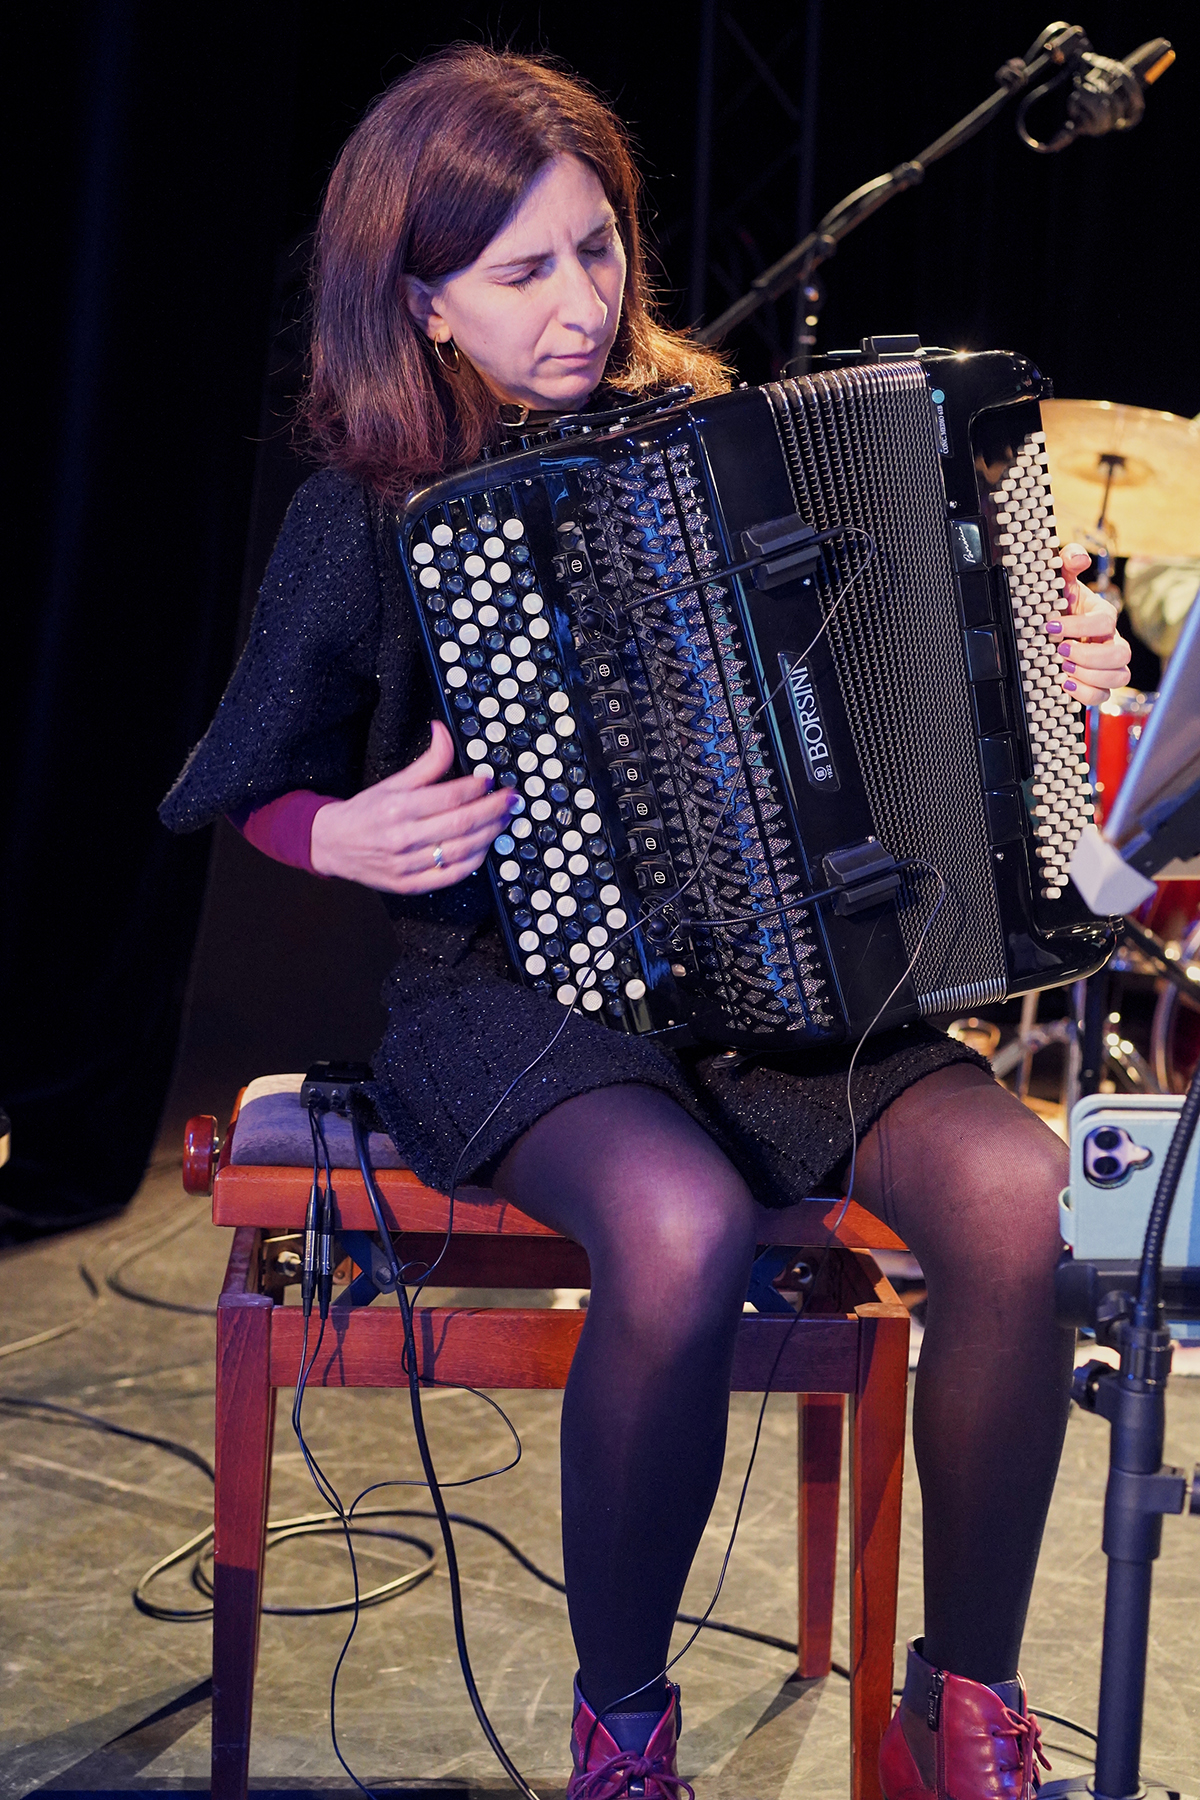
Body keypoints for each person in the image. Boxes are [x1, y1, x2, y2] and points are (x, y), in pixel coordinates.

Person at [161, 45, 1132, 1800]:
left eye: (599, 247)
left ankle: (960, 1707)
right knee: (676, 1227)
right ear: (422, 301)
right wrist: (344, 831)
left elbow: (896, 683)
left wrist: (1032, 666)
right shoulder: (367, 508)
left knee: (1019, 1193)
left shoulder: (724, 435)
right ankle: (625, 1734)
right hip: (510, 994)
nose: (580, 304)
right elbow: (248, 782)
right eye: (520, 271)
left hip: (782, 988)